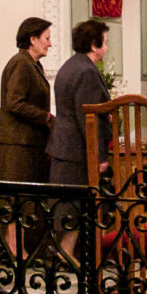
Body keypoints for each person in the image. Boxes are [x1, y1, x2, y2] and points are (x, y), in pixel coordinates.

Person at [47, 19, 111, 186]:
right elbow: (88, 118)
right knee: (70, 207)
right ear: (93, 45)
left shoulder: (71, 65)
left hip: (65, 148)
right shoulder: (86, 71)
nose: (107, 47)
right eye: (104, 42)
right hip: (76, 152)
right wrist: (99, 155)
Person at [0, 16, 53, 183]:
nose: (50, 44)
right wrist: (45, 117)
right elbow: (15, 103)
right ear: (32, 39)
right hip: (18, 147)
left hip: (29, 145)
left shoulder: (32, 64)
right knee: (22, 202)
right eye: (47, 39)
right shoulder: (21, 63)